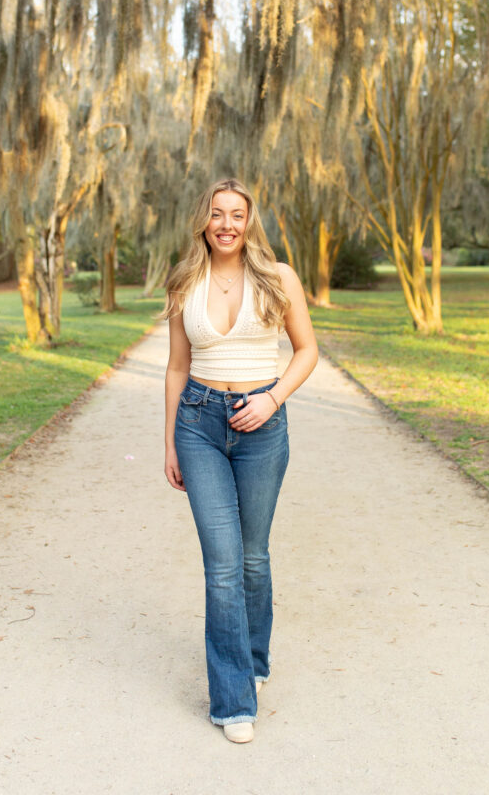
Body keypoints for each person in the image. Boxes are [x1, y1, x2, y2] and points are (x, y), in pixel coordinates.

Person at [163, 178, 318, 744]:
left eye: (237, 214)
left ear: (249, 222)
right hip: (198, 423)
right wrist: (169, 444)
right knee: (223, 564)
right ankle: (233, 702)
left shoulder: (279, 279)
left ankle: (253, 659)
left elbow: (307, 350)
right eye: (216, 214)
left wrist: (272, 398)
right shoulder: (184, 281)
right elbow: (177, 366)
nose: (226, 224)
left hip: (262, 427)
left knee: (254, 558)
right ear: (202, 221)